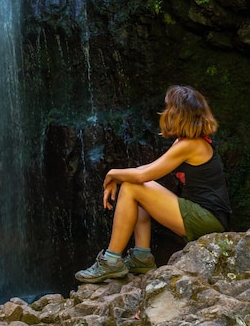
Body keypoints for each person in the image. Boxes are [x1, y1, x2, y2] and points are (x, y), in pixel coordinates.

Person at [75, 85, 232, 283]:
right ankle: (142, 257)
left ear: (178, 113)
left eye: (168, 108)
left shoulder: (190, 145)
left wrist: (112, 173)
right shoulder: (187, 142)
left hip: (208, 219)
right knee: (135, 186)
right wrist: (119, 176)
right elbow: (144, 172)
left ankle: (111, 261)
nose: (164, 113)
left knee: (133, 187)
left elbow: (142, 176)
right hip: (205, 216)